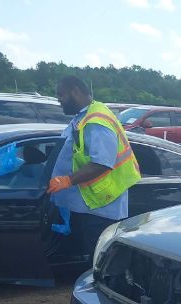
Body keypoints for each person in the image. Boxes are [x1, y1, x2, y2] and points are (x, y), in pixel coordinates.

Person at [47, 76, 141, 258]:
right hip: (90, 204)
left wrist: (68, 180)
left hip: (100, 206)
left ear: (75, 91)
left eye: (61, 94)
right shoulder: (84, 117)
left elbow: (102, 163)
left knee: (97, 260)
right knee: (91, 257)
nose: (58, 100)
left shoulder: (96, 121)